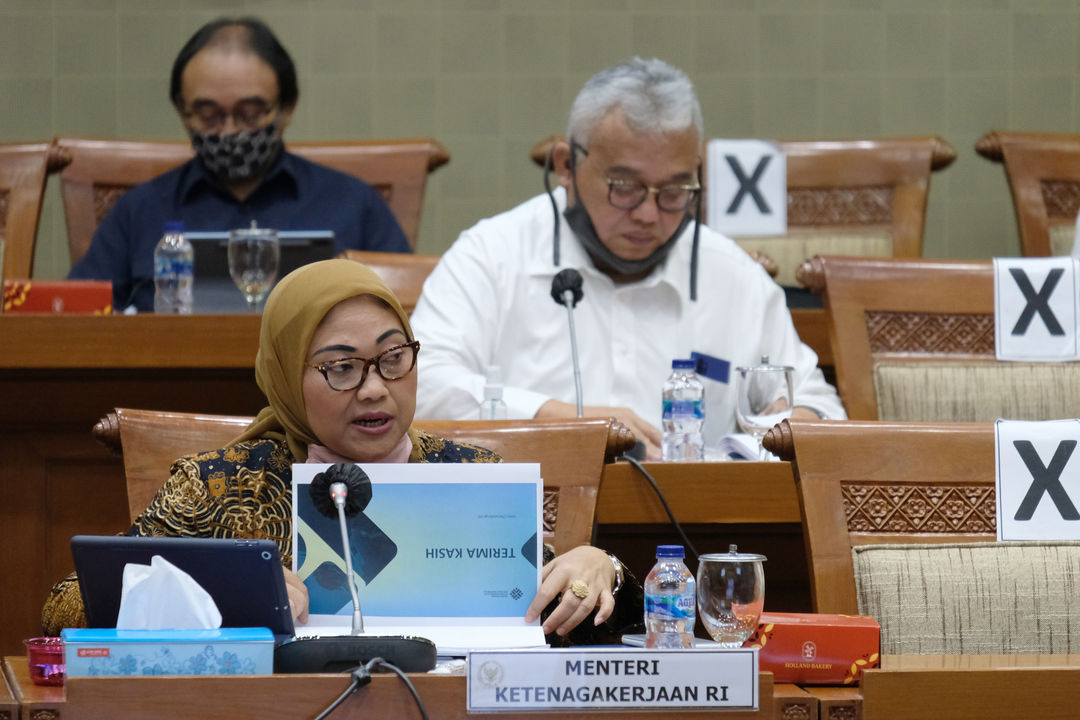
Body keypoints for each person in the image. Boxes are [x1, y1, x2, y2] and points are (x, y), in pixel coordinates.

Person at [42, 259, 639, 645]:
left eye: (393, 357)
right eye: (341, 367)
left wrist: (600, 567)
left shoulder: (469, 476)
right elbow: (67, 608)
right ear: (285, 376)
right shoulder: (221, 487)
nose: (376, 387)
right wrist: (233, 595)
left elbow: (572, 605)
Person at [410, 58, 845, 458]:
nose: (649, 214)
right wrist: (560, 420)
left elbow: (820, 406)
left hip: (694, 528)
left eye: (674, 191)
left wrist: (801, 421)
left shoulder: (731, 275)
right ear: (565, 165)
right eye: (624, 186)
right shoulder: (491, 255)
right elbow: (419, 385)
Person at [68, 17, 410, 312]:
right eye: (209, 115)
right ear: (182, 112)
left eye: (249, 113)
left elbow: (407, 317)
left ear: (287, 107)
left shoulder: (353, 203)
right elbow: (76, 318)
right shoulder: (139, 210)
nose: (230, 131)